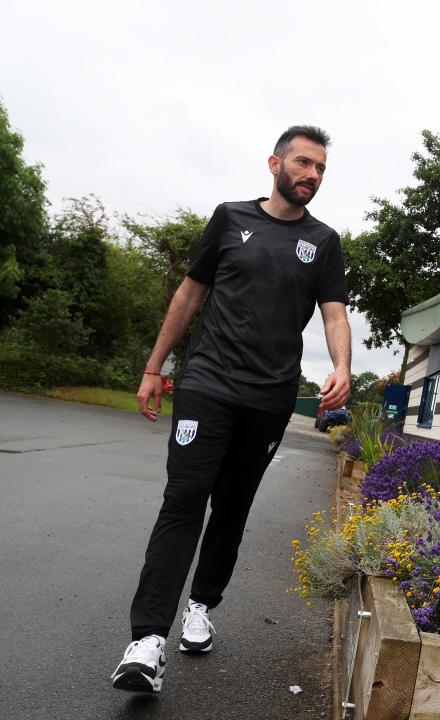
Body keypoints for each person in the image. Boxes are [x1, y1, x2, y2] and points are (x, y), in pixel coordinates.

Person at [110, 125, 351, 693]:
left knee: (233, 505)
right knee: (185, 497)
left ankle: (201, 605)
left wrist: (342, 364)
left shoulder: (325, 241)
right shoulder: (231, 218)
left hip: (270, 397)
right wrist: (154, 367)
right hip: (208, 383)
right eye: (302, 163)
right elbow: (190, 293)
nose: (311, 175)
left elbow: (335, 312)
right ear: (274, 164)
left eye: (320, 168)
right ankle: (147, 641)